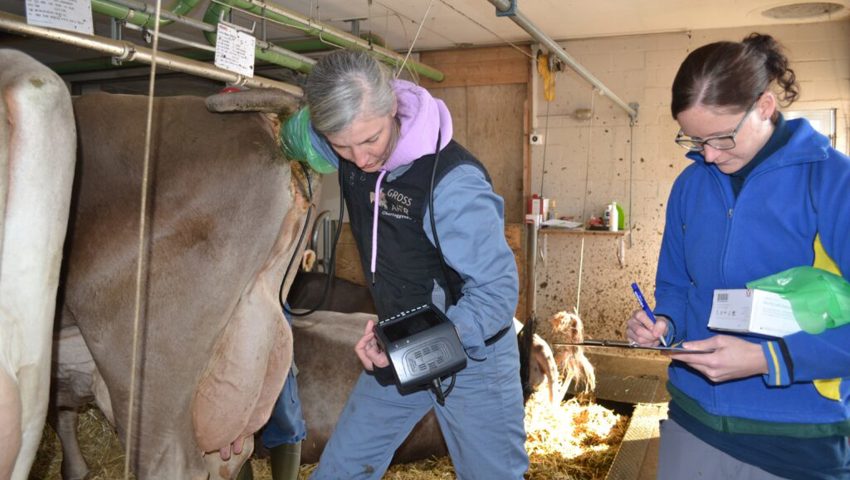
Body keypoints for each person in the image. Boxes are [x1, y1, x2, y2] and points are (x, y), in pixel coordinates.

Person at [627, 32, 850, 479]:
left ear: (764, 107)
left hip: (797, 435)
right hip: (694, 421)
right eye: (692, 139)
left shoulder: (830, 180)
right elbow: (674, 282)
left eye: (720, 137)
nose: (707, 155)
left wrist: (768, 360)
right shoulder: (689, 187)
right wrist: (662, 321)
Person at [301, 49, 528, 479]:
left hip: (473, 355)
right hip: (401, 345)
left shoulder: (452, 182)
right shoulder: (348, 146)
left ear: (393, 109)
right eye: (340, 147)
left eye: (370, 140)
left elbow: (497, 290)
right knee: (341, 469)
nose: (360, 160)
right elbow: (298, 134)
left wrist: (419, 344)